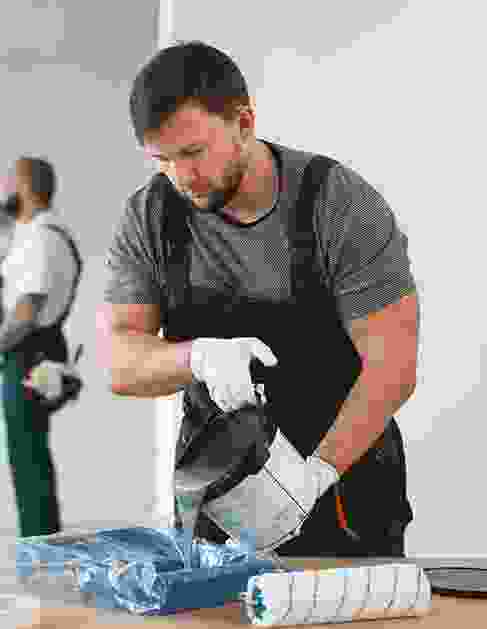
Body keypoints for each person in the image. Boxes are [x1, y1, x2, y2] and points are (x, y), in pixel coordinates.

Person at [101, 41, 420, 558]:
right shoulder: (149, 218)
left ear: (244, 123)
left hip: (345, 484)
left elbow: (394, 366)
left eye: (193, 153)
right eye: (162, 160)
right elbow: (119, 361)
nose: (181, 178)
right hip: (218, 491)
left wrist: (315, 476)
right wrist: (197, 357)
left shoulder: (339, 205)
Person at [0, 156, 82, 537]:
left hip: (29, 352)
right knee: (30, 454)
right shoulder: (42, 235)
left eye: (9, 181)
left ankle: (40, 546)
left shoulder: (41, 237)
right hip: (38, 350)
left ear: (26, 188)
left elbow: (25, 314)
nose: (4, 189)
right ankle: (41, 545)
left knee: (27, 457)